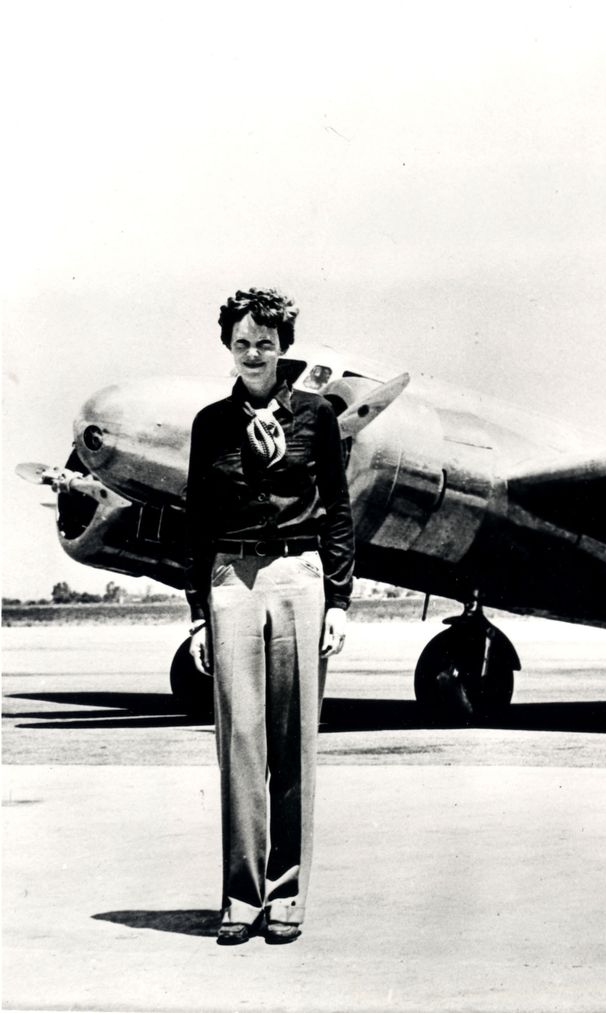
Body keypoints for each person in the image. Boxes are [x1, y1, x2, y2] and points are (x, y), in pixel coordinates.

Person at [184, 288, 355, 945]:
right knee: (240, 745)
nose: (253, 353)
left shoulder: (316, 416)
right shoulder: (209, 424)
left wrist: (338, 601)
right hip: (231, 578)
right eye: (241, 342)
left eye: (265, 341)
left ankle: (285, 896)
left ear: (283, 344)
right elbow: (196, 522)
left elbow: (337, 510)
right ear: (227, 346)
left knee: (293, 745)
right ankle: (240, 896)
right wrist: (200, 612)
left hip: (298, 576)